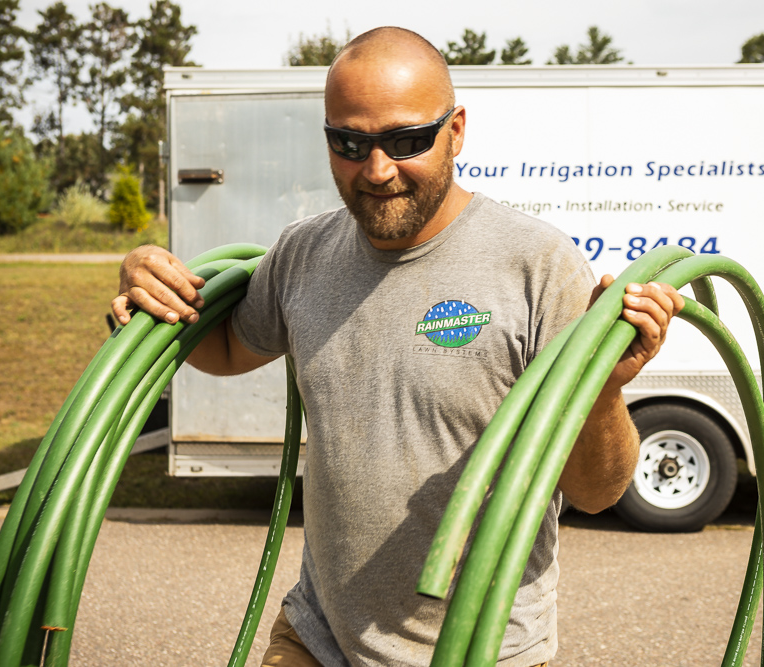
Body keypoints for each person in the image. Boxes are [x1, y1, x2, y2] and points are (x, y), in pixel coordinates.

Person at [112, 26, 683, 667]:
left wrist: (604, 388)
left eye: (408, 141)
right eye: (350, 143)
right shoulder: (302, 254)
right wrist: (147, 290)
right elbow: (223, 350)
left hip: (482, 647)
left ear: (457, 131)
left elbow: (597, 489)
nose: (377, 171)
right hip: (318, 636)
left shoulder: (538, 267)